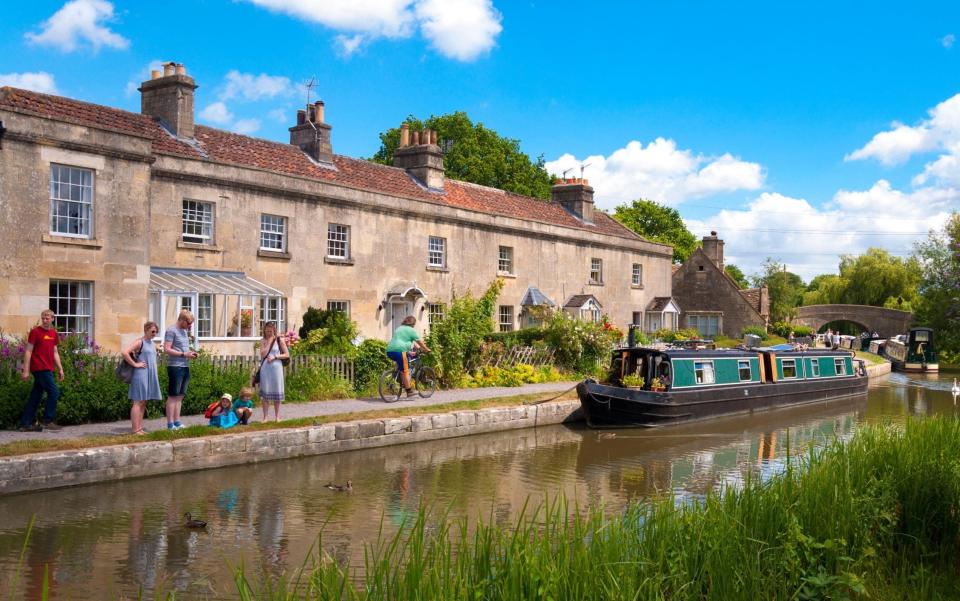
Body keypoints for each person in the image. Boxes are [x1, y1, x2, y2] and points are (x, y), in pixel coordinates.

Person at [18, 309, 64, 432]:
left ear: (52, 319)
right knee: (54, 392)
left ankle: (25, 424)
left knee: (36, 396)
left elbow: (55, 352)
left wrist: (60, 369)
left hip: (48, 368)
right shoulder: (35, 332)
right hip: (39, 367)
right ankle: (47, 421)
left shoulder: (54, 333)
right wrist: (26, 370)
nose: (44, 320)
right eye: (43, 318)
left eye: (47, 318)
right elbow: (28, 351)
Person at [123, 321, 162, 435]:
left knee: (143, 402)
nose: (155, 333)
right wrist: (135, 364)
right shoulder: (139, 342)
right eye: (153, 331)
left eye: (156, 332)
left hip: (149, 375)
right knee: (138, 401)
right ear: (146, 330)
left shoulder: (151, 343)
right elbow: (125, 352)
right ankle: (135, 430)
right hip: (140, 375)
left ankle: (139, 428)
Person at [163, 310, 198, 430]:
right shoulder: (171, 330)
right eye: (188, 323)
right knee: (173, 396)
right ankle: (170, 424)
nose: (190, 326)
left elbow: (182, 349)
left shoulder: (184, 331)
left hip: (185, 366)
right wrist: (184, 354)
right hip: (175, 366)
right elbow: (166, 349)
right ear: (182, 320)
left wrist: (190, 353)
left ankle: (177, 422)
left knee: (180, 396)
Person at [386, 315, 431, 398]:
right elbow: (419, 342)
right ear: (413, 324)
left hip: (389, 351)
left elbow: (407, 342)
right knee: (405, 371)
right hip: (400, 351)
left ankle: (400, 379)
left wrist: (414, 349)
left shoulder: (399, 328)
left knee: (403, 366)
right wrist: (426, 349)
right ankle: (409, 391)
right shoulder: (411, 330)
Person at [257, 322, 289, 422]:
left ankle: (277, 417)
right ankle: (265, 417)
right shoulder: (262, 341)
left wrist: (275, 357)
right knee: (265, 393)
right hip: (265, 369)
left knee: (277, 392)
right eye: (267, 330)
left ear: (274, 330)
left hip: (276, 369)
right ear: (264, 330)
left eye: (271, 331)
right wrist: (270, 342)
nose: (269, 332)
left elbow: (286, 354)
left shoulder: (280, 340)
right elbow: (262, 354)